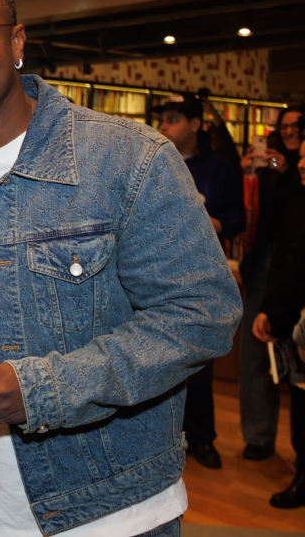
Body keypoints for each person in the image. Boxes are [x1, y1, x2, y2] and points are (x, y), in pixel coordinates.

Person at [0, 0, 241, 537]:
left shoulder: (126, 159)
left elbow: (202, 315)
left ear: (16, 44)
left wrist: (43, 389)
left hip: (111, 513)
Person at [156, 91, 245, 469]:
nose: (165, 126)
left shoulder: (220, 169)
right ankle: (162, 439)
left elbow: (238, 219)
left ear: (195, 125)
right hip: (154, 270)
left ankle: (202, 437)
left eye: (174, 119)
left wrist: (213, 224)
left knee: (200, 361)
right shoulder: (153, 161)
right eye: (163, 118)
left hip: (199, 272)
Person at [239, 105, 303, 461]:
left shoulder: (297, 171)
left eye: (298, 126)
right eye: (285, 126)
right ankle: (259, 436)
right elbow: (256, 216)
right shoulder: (271, 166)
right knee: (257, 354)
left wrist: (291, 170)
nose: (290, 132)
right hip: (268, 265)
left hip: (295, 265)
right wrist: (251, 175)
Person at [252, 142, 305, 507]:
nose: (301, 162)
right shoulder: (298, 199)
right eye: (301, 155)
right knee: (300, 402)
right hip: (297, 318)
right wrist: (270, 307)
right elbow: (290, 259)